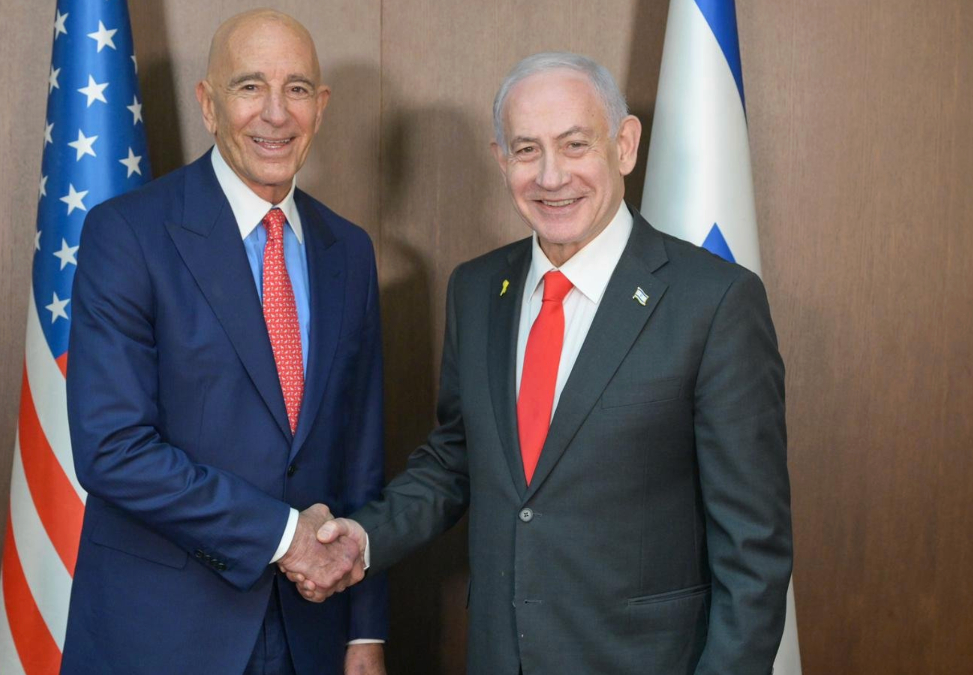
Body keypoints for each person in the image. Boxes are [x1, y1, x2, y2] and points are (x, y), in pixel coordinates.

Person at [300, 52, 792, 674]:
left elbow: (754, 553)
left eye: (575, 144)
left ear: (625, 145)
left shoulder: (714, 302)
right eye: (527, 150)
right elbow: (456, 460)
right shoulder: (477, 290)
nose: (551, 176)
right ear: (501, 159)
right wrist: (364, 539)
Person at [61, 10, 387, 675]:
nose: (276, 113)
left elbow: (361, 454)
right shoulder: (127, 234)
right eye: (249, 86)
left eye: (297, 89)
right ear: (208, 104)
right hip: (163, 636)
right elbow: (112, 448)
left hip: (311, 631)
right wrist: (283, 534)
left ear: (321, 107)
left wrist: (365, 631)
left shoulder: (348, 251)